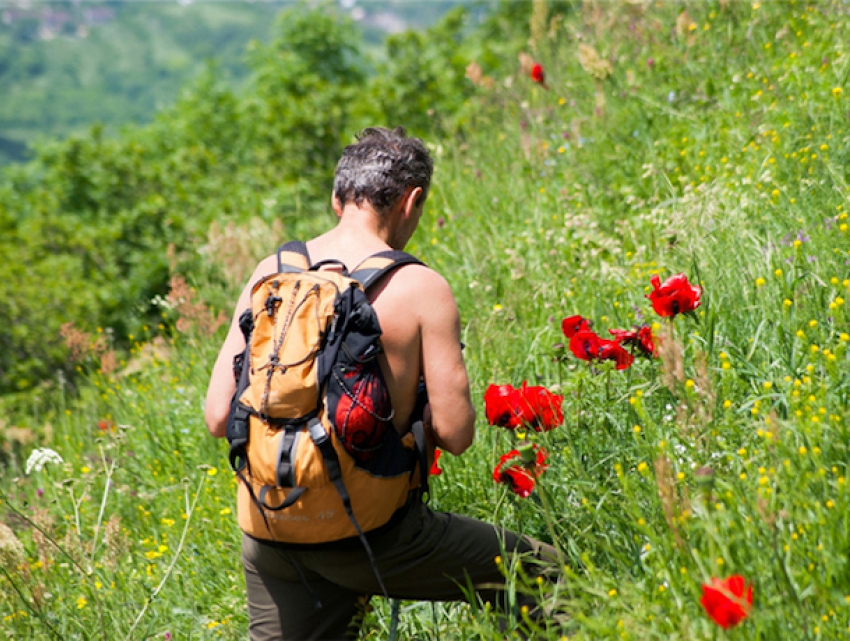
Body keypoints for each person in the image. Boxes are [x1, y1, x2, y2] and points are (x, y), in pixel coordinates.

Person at [204, 127, 558, 640]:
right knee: (542, 574)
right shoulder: (420, 287)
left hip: (268, 531)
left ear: (336, 198)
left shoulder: (271, 273)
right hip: (370, 533)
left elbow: (218, 416)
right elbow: (457, 435)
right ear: (412, 202)